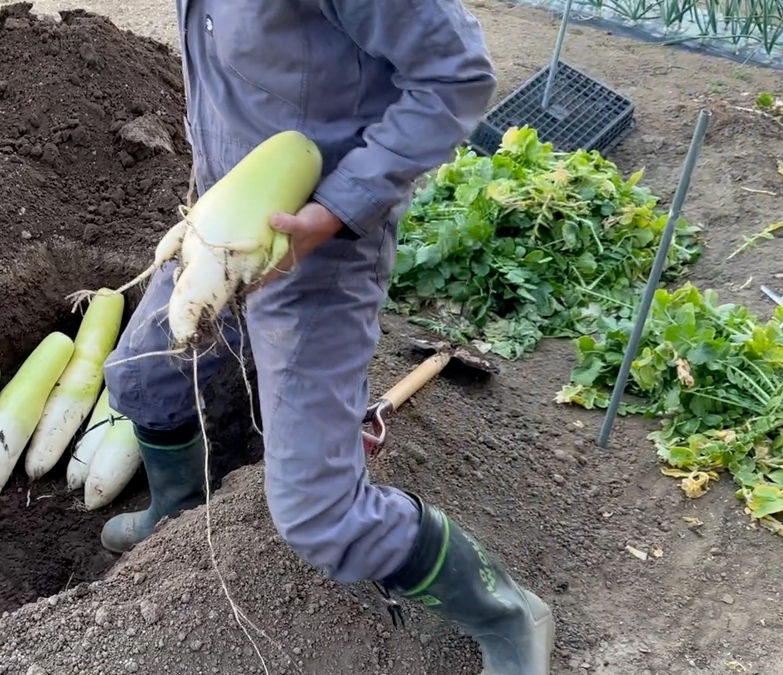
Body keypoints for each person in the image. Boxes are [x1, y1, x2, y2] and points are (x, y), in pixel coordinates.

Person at [98, 0, 555, 673]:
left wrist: (334, 210)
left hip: (324, 243)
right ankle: (178, 508)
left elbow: (456, 76)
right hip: (227, 224)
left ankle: (506, 610)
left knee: (319, 514)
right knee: (141, 373)